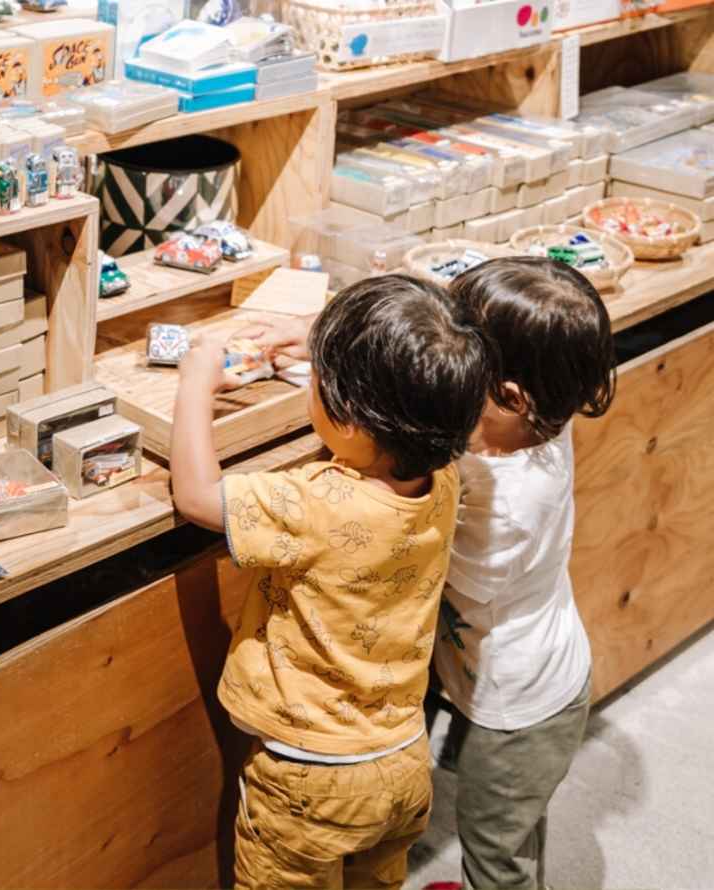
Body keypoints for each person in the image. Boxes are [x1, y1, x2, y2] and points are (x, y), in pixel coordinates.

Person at [170, 275, 492, 890]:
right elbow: (422, 363)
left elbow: (196, 497)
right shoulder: (447, 476)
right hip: (401, 754)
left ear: (347, 421)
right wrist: (321, 339)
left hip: (307, 779)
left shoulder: (316, 504)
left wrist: (196, 383)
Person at [428, 258, 614, 890]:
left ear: (509, 395)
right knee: (517, 824)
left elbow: (434, 566)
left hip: (520, 709)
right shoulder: (539, 421)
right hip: (523, 676)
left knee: (493, 848)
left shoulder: (505, 501)